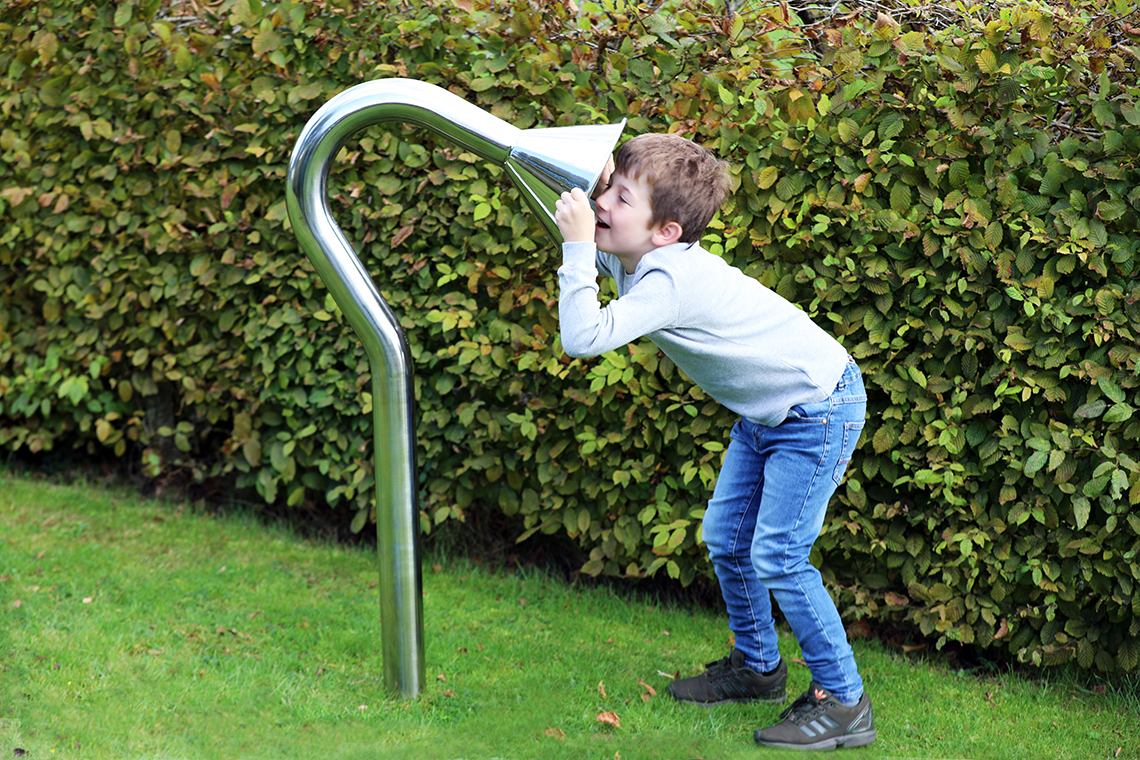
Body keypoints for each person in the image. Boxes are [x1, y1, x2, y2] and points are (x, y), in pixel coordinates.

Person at [552, 133, 876, 751]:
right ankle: (758, 670)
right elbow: (580, 226)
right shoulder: (634, 252)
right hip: (768, 414)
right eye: (608, 190)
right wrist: (579, 194)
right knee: (727, 540)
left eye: (621, 197)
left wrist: (574, 246)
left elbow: (584, 336)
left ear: (666, 232)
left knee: (779, 555)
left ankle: (845, 702)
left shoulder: (670, 280)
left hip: (817, 408)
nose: (603, 205)